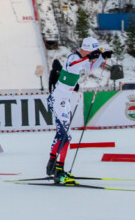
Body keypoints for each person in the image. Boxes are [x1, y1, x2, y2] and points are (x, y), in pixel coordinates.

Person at [46, 37, 112, 183]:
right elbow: (76, 64)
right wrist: (89, 57)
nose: (94, 53)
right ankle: (58, 171)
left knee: (61, 134)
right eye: (93, 51)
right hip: (58, 101)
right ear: (87, 49)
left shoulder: (82, 59)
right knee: (66, 137)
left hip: (64, 101)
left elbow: (89, 68)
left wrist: (101, 58)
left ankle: (52, 165)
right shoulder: (73, 58)